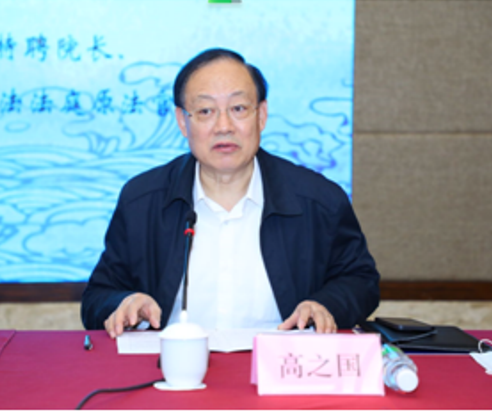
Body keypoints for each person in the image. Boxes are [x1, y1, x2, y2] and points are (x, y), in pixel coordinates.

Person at [81, 48, 380, 337]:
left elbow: (360, 281)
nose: (224, 126)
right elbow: (98, 297)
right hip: (171, 365)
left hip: (280, 365)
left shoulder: (319, 200)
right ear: (183, 121)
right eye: (205, 111)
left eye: (238, 109)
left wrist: (325, 305)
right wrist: (125, 303)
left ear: (261, 115)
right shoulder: (142, 200)